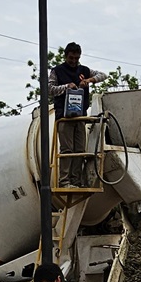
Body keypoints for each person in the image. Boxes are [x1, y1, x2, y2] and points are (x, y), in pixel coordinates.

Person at [49, 41, 98, 187]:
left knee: (80, 150)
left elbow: (103, 75)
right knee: (67, 150)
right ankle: (64, 180)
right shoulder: (57, 71)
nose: (74, 61)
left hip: (80, 117)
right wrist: (66, 87)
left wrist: (89, 80)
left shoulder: (84, 70)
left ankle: (76, 180)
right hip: (64, 117)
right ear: (66, 56)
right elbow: (50, 89)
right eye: (71, 58)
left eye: (77, 58)